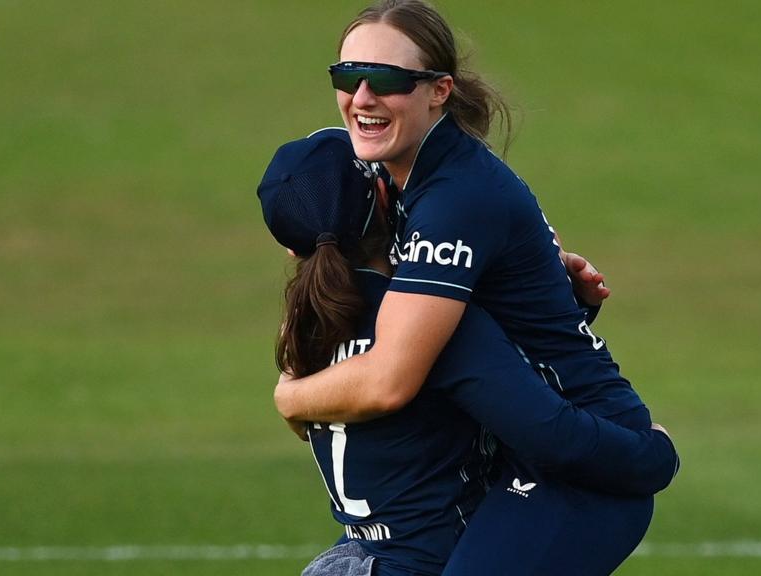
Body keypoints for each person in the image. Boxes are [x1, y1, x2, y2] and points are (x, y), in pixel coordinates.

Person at [272, 1, 680, 573]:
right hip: (530, 439)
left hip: (581, 460)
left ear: (439, 90)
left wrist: (291, 396)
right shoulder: (411, 183)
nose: (362, 97)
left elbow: (391, 378)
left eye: (386, 80)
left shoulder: (453, 200)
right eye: (347, 77)